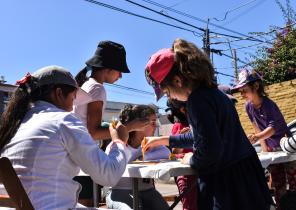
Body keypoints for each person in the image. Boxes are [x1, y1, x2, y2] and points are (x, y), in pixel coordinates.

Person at [143, 38, 273, 210]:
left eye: (167, 92)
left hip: (227, 184)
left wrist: (191, 159)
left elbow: (210, 152)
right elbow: (203, 134)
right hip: (246, 173)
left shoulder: (196, 102)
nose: (171, 98)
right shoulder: (215, 93)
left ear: (177, 81)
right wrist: (166, 140)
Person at [0, 66, 131, 210]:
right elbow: (109, 175)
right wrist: (119, 142)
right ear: (59, 93)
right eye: (73, 98)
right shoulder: (62, 120)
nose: (73, 107)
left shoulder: (14, 127)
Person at [233, 68, 296, 208]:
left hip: (287, 147)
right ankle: (282, 206)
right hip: (272, 149)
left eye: (244, 90)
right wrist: (265, 153)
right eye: (240, 92)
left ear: (256, 86)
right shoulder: (248, 107)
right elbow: (256, 127)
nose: (242, 95)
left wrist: (256, 137)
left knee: (295, 181)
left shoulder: (269, 105)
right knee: (278, 183)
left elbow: (272, 129)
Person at [73, 40, 145, 141]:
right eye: (119, 70)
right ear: (108, 68)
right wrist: (130, 127)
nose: (120, 76)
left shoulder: (87, 84)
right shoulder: (97, 88)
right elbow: (93, 133)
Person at [105, 104, 170, 210]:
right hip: (119, 191)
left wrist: (144, 157)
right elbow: (111, 166)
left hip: (147, 190)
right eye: (153, 122)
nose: (156, 126)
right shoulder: (118, 144)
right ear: (139, 124)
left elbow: (167, 153)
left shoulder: (150, 142)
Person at [166, 99, 198, 210]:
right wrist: (181, 139)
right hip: (184, 173)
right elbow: (174, 153)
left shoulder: (195, 123)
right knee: (189, 204)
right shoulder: (178, 126)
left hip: (198, 169)